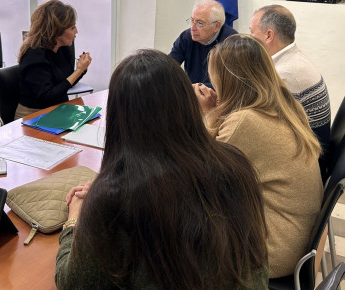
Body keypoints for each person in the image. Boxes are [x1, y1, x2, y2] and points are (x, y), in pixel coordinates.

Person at [55, 49, 269, 288]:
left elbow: (73, 283)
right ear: (187, 104)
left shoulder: (116, 196)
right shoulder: (236, 164)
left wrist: (75, 219)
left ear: (118, 116)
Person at [196, 34, 323, 278]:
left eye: (216, 79)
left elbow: (202, 175)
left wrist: (204, 115)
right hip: (297, 237)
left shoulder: (245, 121)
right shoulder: (284, 103)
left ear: (228, 80)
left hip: (274, 250)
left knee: (178, 226)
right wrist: (216, 112)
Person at [249, 4, 331, 152]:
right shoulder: (293, 57)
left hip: (307, 158)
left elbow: (265, 127)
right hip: (306, 145)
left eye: (252, 32)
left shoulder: (286, 74)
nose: (249, 38)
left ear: (269, 35)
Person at [16, 0, 92, 119]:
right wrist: (78, 71)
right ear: (56, 31)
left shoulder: (63, 47)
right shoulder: (34, 55)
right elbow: (47, 97)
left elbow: (66, 84)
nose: (76, 32)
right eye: (72, 28)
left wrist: (81, 70)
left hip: (57, 108)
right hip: (34, 114)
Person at [169, 0, 237, 86]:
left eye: (199, 23)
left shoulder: (232, 43)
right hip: (193, 93)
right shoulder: (186, 37)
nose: (192, 28)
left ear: (216, 26)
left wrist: (193, 89)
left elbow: (229, 84)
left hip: (220, 96)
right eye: (192, 21)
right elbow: (169, 66)